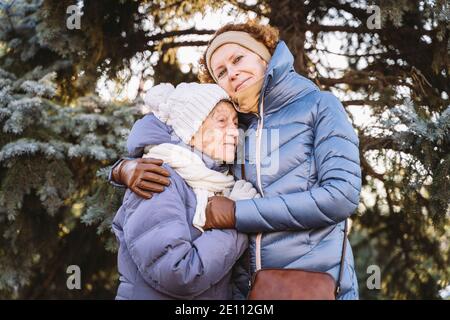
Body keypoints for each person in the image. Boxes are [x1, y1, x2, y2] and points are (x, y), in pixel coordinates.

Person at [110, 21, 362, 299]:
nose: (232, 73)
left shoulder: (319, 106)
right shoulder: (236, 126)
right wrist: (124, 168)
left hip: (314, 285)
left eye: (238, 59)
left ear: (263, 54)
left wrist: (236, 214)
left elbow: (341, 195)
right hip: (246, 293)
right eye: (221, 72)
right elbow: (172, 130)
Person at [112, 82, 259, 299]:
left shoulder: (220, 183)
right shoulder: (157, 177)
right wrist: (236, 222)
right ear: (190, 131)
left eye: (235, 123)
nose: (234, 133)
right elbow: (178, 273)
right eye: (221, 122)